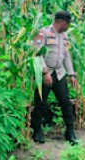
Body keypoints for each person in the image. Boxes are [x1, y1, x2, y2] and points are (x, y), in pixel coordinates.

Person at [32, 10, 77, 144]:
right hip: (45, 73)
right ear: (62, 22)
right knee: (40, 103)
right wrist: (45, 72)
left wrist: (71, 74)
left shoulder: (64, 36)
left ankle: (70, 132)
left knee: (66, 103)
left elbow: (67, 56)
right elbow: (36, 52)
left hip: (59, 73)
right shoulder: (43, 32)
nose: (68, 27)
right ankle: (37, 131)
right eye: (68, 24)